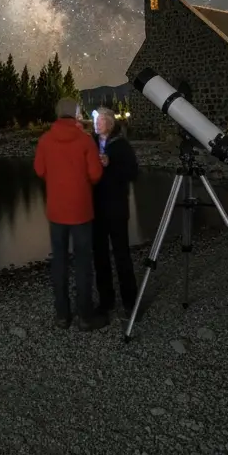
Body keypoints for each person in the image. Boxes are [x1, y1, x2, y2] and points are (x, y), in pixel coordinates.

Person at [33, 97, 108, 330]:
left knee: (59, 261)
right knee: (83, 263)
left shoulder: (45, 140)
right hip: (81, 211)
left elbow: (39, 170)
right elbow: (95, 174)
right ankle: (85, 316)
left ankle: (62, 315)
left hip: (56, 211)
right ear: (76, 114)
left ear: (57, 114)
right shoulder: (85, 141)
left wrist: (56, 178)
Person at [90, 107, 139, 319]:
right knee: (100, 256)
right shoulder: (90, 143)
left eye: (100, 120)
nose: (96, 123)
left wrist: (111, 164)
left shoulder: (121, 145)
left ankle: (130, 302)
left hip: (117, 208)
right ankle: (106, 301)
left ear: (110, 123)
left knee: (121, 256)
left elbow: (133, 173)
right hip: (96, 209)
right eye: (95, 120)